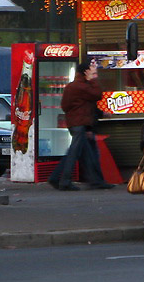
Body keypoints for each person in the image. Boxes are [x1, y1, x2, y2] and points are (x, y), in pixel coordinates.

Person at [48, 59, 114, 191]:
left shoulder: (75, 86)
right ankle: (64, 180)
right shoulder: (80, 86)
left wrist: (99, 114)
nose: (95, 75)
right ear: (85, 72)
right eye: (92, 72)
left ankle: (95, 181)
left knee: (87, 153)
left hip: (79, 124)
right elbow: (97, 95)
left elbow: (82, 105)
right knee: (75, 153)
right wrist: (93, 80)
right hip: (80, 124)